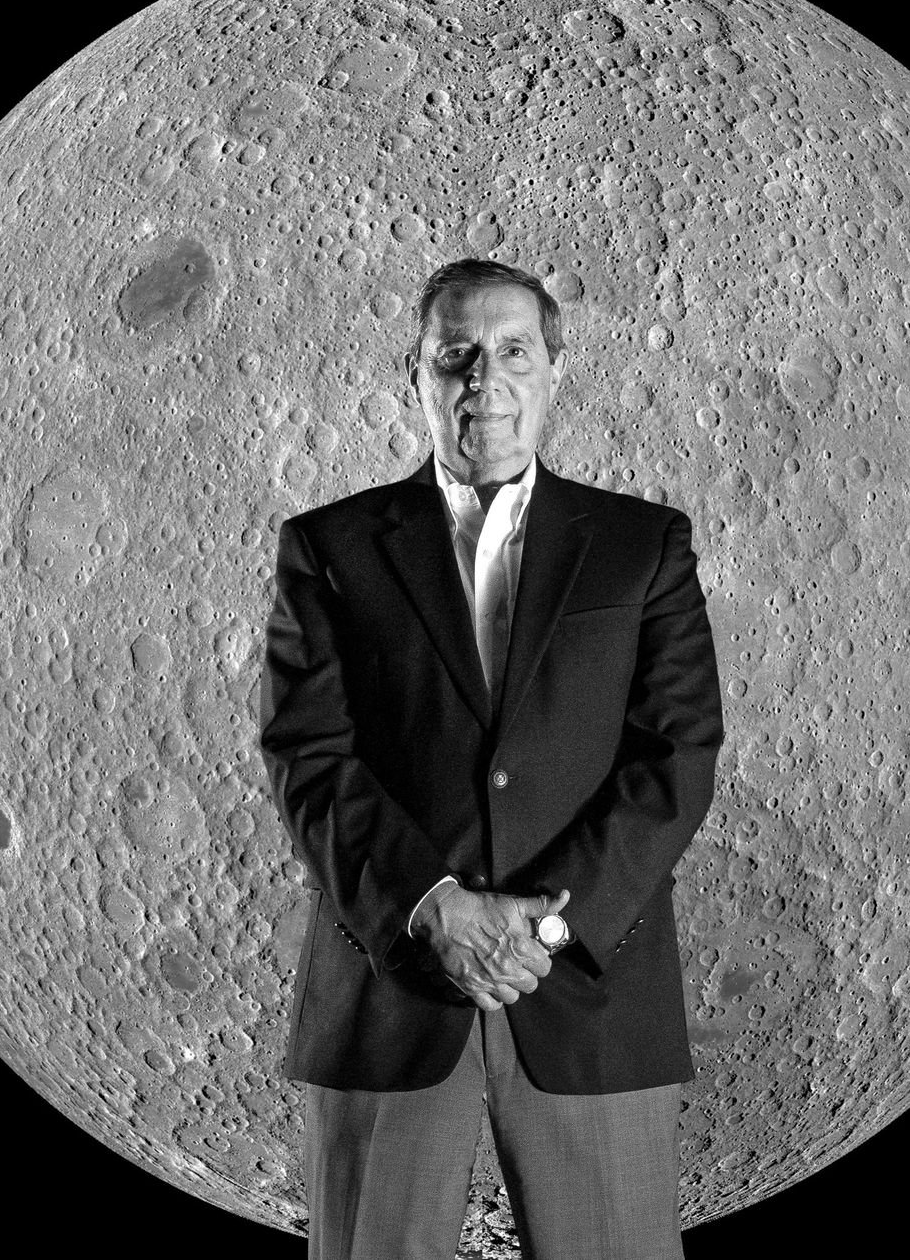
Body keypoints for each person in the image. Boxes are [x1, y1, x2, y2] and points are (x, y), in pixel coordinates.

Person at [258, 258, 724, 1259]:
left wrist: (546, 930)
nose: (484, 379)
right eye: (455, 355)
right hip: (389, 993)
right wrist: (435, 906)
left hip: (591, 996)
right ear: (418, 373)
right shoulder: (328, 548)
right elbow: (310, 752)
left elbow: (677, 752)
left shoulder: (643, 546)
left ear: (555, 367)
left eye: (513, 350)